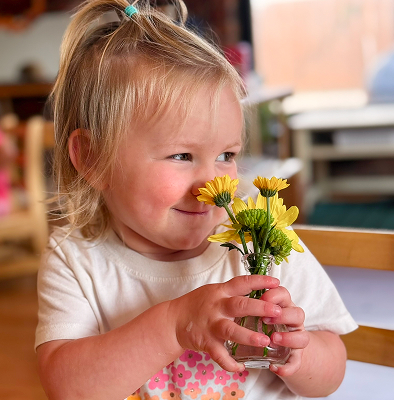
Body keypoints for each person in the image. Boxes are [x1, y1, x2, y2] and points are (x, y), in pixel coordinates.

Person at [35, 1, 357, 399]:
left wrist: (295, 354)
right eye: (182, 156)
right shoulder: (76, 259)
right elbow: (67, 388)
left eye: (227, 155)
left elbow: (333, 366)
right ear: (93, 158)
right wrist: (173, 326)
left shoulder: (259, 239)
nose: (212, 183)